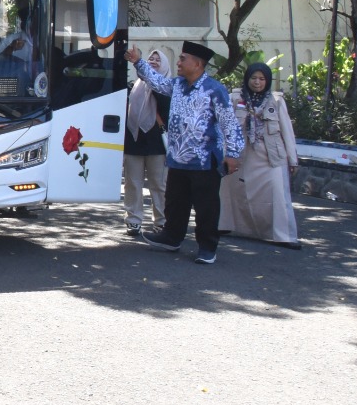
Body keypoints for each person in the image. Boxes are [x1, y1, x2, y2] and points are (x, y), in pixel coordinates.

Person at [126, 39, 245, 264]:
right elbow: (156, 82)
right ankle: (171, 238)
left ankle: (207, 247)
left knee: (206, 207)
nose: (178, 63)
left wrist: (233, 153)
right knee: (175, 202)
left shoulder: (214, 89)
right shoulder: (178, 85)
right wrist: (138, 62)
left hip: (204, 160)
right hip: (178, 158)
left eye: (183, 59)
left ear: (197, 64)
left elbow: (229, 123)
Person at [220, 62, 301, 248]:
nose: (257, 82)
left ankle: (284, 236)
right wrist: (223, 153)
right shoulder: (235, 98)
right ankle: (224, 224)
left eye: (262, 79)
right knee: (229, 188)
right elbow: (225, 127)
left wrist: (292, 159)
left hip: (271, 156)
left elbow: (287, 132)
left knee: (278, 194)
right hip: (241, 154)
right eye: (254, 78)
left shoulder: (276, 101)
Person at [122, 46, 174, 237]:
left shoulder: (168, 87)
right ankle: (133, 220)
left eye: (158, 60)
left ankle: (161, 221)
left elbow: (166, 109)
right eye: (151, 59)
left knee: (159, 185)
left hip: (157, 144)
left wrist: (151, 82)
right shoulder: (134, 87)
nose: (154, 62)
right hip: (134, 140)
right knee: (132, 184)